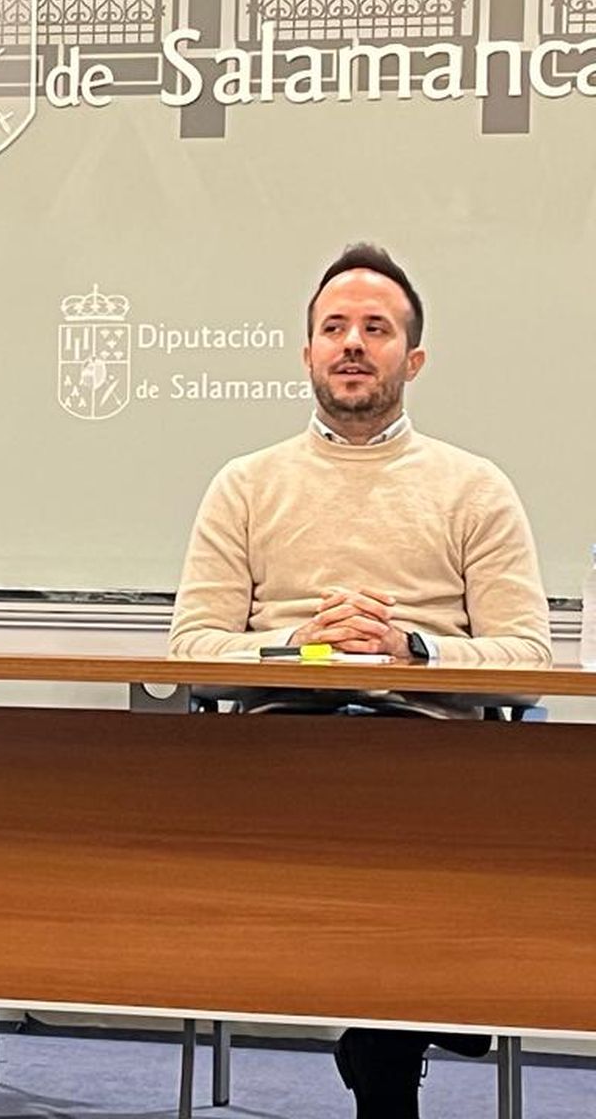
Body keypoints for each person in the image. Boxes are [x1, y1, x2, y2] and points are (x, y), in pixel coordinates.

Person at [169, 243, 551, 1118]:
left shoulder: (474, 487)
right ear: (306, 353)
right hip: (281, 746)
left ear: (411, 360)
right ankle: (409, 1027)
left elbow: (528, 657)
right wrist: (300, 648)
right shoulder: (246, 485)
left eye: (375, 330)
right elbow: (191, 648)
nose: (351, 344)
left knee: (408, 825)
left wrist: (412, 648)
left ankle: (390, 1042)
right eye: (333, 328)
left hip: (427, 748)